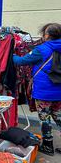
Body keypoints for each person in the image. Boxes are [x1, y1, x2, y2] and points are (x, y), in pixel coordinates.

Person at [13, 23, 61, 156]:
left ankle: (48, 145)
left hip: (44, 90)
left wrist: (10, 55)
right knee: (58, 116)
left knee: (45, 117)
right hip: (59, 90)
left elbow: (21, 61)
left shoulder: (42, 49)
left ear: (47, 35)